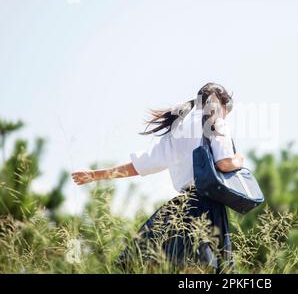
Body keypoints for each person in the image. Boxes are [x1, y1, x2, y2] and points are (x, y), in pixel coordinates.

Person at [71, 82, 243, 273]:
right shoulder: (216, 122)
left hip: (181, 208)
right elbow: (224, 163)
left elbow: (140, 165)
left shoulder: (178, 129)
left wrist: (95, 175)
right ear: (223, 104)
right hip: (209, 207)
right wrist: (238, 160)